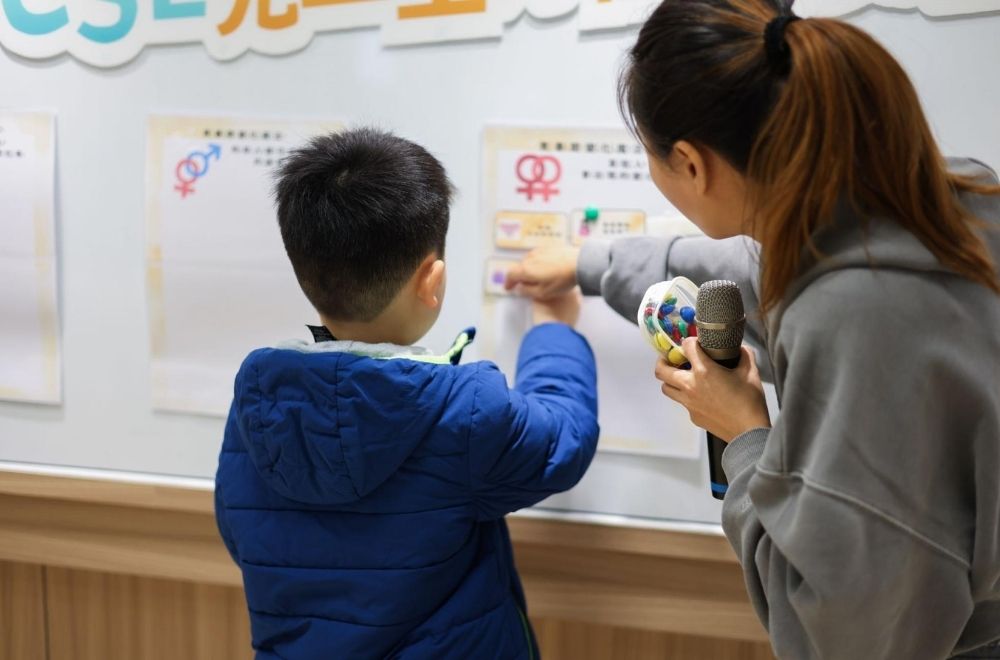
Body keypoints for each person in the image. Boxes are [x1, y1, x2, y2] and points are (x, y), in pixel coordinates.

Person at [506, 1, 1000, 658]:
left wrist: (742, 432)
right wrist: (588, 263)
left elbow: (836, 636)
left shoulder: (852, 314)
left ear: (690, 163)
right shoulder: (948, 196)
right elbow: (745, 268)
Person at [215, 128, 598, 659]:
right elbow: (563, 438)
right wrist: (554, 328)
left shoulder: (258, 402)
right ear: (431, 281)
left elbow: (240, 533)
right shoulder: (461, 412)